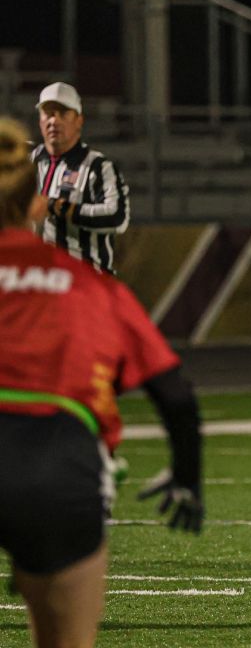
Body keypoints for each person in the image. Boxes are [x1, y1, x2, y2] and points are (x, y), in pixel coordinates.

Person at [0, 116, 203, 647]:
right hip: (56, 465)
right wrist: (188, 477)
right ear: (39, 206)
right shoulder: (89, 286)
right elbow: (175, 394)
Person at [30, 82, 130, 274]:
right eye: (49, 113)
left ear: (79, 120)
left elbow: (117, 217)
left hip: (86, 283)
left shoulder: (98, 167)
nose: (54, 120)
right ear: (40, 120)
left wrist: (59, 207)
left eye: (63, 113)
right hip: (42, 282)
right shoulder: (31, 161)